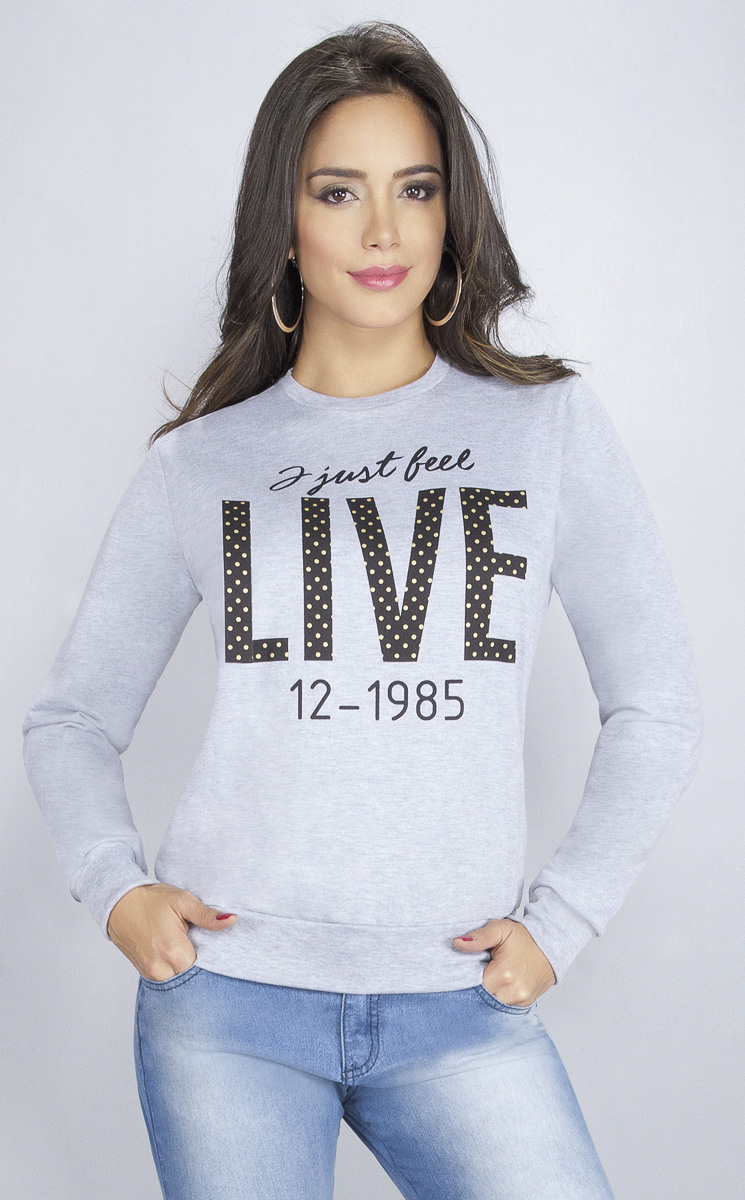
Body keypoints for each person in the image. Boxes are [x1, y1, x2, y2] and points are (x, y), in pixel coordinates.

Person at [21, 20, 702, 1200]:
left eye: (415, 189)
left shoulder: (544, 429)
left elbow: (657, 701)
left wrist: (563, 922)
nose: (383, 231)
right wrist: (118, 890)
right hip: (227, 1009)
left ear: (452, 213)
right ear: (284, 221)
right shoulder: (201, 466)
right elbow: (71, 719)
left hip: (458, 1006)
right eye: (338, 192)